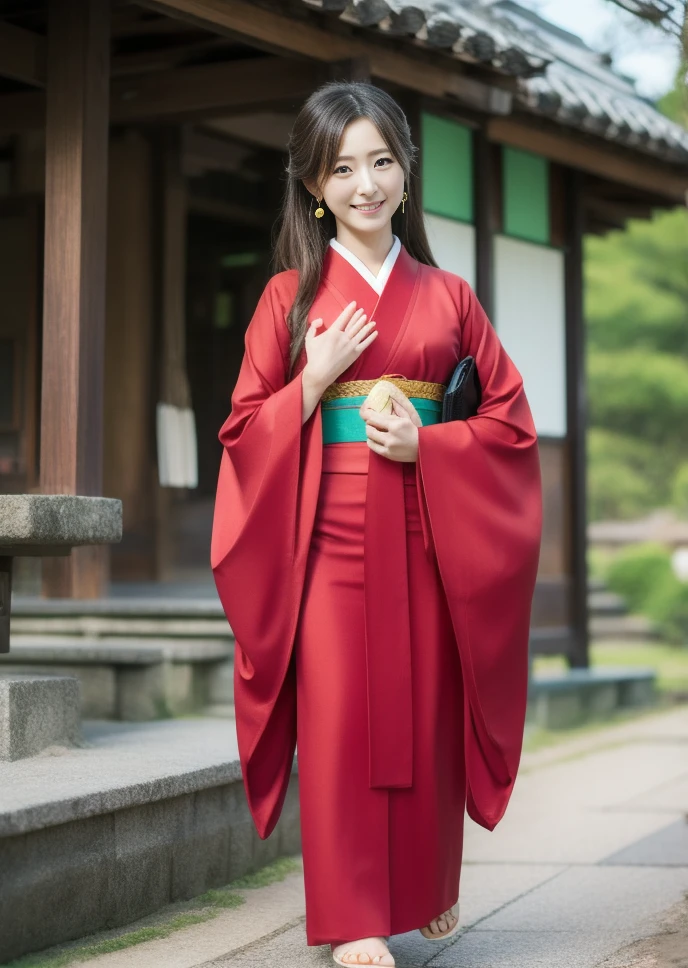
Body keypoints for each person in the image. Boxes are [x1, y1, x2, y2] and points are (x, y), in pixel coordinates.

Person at [211, 81, 543, 967]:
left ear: (406, 171)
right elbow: (244, 433)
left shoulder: (450, 297)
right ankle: (354, 914)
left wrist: (428, 450)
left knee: (428, 716)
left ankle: (430, 890)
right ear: (315, 185)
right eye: (343, 167)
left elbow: (508, 425)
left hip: (429, 532)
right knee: (342, 722)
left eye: (382, 162)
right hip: (327, 540)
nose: (366, 183)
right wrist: (312, 381)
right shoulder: (289, 297)